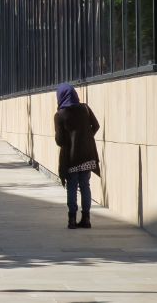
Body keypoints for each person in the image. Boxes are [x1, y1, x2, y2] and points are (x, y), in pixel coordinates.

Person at [54, 83, 100, 229]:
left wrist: (72, 141)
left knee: (72, 187)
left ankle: (72, 219)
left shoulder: (60, 115)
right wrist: (86, 138)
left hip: (71, 158)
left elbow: (60, 140)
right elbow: (96, 125)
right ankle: (86, 219)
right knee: (85, 185)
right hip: (87, 155)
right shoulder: (85, 108)